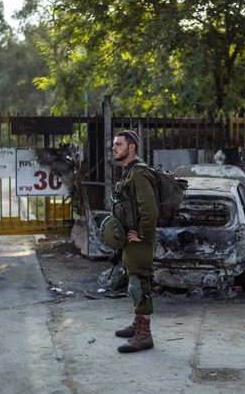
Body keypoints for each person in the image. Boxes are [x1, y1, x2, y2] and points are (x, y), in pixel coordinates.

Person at [111, 130, 158, 353]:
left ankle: (145, 335)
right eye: (114, 145)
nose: (114, 148)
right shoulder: (129, 172)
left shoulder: (139, 173)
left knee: (139, 285)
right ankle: (137, 324)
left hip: (140, 240)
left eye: (118, 144)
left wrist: (142, 234)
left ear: (132, 148)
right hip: (132, 238)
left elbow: (149, 209)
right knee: (134, 282)